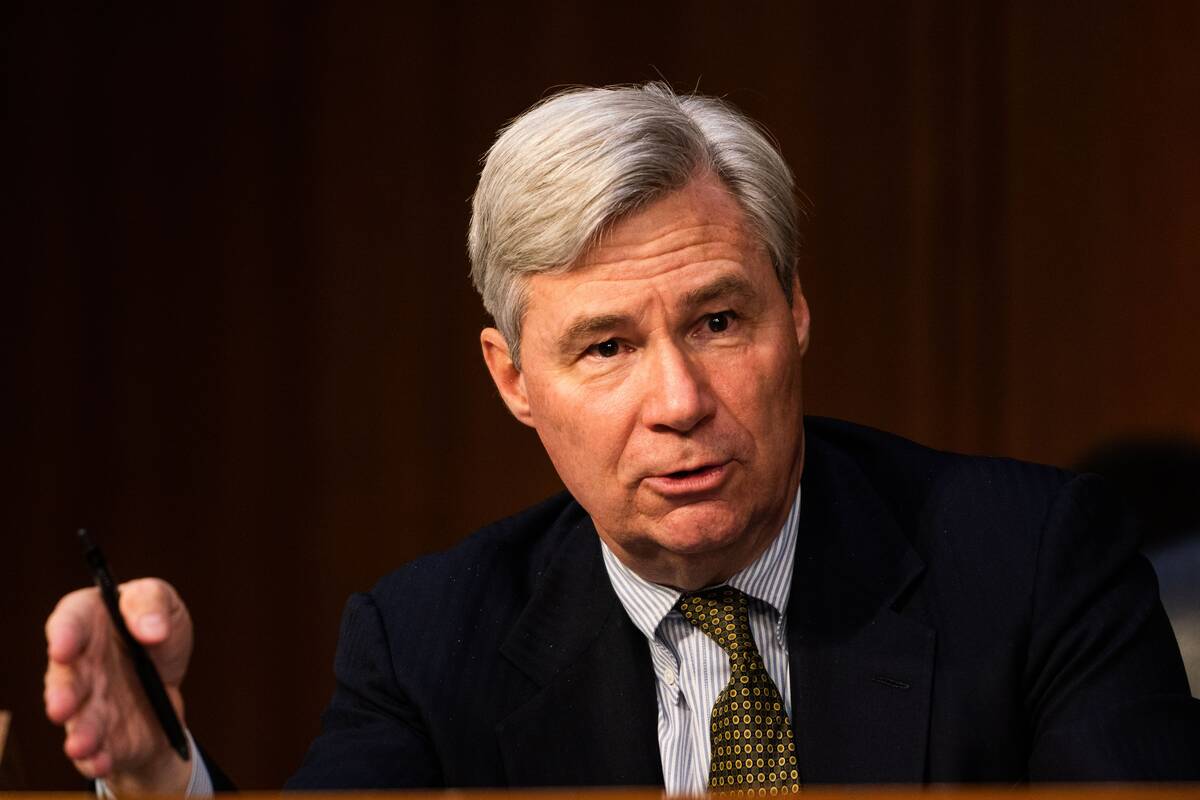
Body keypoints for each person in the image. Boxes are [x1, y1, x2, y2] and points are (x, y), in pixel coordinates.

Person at [43, 83, 1200, 795]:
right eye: (605, 347)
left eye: (718, 319)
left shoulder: (1036, 563)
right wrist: (156, 780)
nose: (681, 397)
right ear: (514, 380)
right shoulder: (430, 639)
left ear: (796, 313)